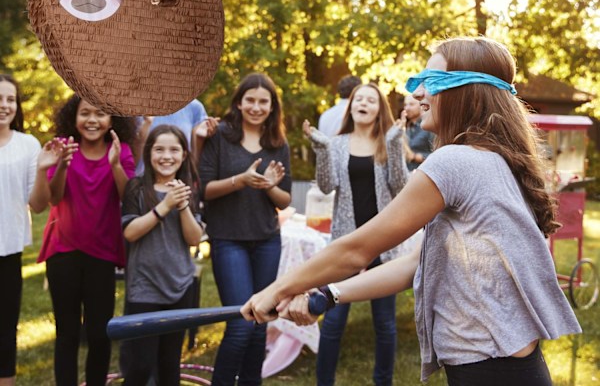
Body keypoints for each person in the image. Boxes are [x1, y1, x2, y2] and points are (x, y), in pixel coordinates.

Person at [242, 37, 582, 386]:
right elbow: (414, 264)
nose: (419, 93)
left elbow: (357, 250)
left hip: (490, 371)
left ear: (467, 91)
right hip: (510, 369)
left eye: (431, 82)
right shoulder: (495, 159)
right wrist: (326, 296)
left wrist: (276, 289)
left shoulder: (455, 162)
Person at [303, 82, 409, 386]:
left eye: (370, 100)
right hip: (346, 245)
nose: (363, 103)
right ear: (351, 106)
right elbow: (326, 186)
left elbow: (400, 188)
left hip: (383, 245)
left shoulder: (388, 140)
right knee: (334, 321)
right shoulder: (337, 143)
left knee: (385, 324)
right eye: (358, 99)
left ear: (379, 109)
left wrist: (394, 144)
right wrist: (322, 149)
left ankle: (383, 382)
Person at [32, 95, 137, 386]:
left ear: (112, 120)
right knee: (66, 333)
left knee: (98, 334)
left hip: (102, 253)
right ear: (73, 118)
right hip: (63, 251)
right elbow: (53, 198)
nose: (93, 120)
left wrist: (115, 164)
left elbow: (126, 197)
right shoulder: (63, 148)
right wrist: (61, 165)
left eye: (101, 113)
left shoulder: (121, 151)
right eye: (85, 113)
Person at [199, 73, 292, 385]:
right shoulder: (220, 136)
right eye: (250, 100)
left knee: (260, 323)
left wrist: (267, 186)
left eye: (263, 101)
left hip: (267, 239)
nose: (256, 106)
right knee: (240, 325)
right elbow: (205, 190)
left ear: (272, 106)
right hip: (228, 240)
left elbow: (284, 198)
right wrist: (242, 179)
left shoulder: (278, 143)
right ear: (239, 103)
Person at [120, 125, 205, 385]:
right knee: (141, 365)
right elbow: (130, 232)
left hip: (179, 285)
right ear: (149, 154)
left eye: (174, 150)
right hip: (144, 286)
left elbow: (194, 238)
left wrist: (181, 206)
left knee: (169, 364)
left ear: (183, 155)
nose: (166, 156)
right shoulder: (136, 187)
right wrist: (164, 206)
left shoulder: (189, 188)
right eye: (159, 149)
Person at [0, 75, 41, 386]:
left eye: (10, 99)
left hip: (8, 249)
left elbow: (37, 204)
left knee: (5, 326)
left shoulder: (28, 145)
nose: (4, 106)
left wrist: (46, 169)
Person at [135, 99, 217, 170]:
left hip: (179, 180)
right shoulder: (135, 104)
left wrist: (201, 137)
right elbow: (130, 158)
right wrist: (146, 125)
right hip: (144, 181)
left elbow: (194, 160)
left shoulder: (194, 107)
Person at [401, 94, 434, 171]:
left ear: (421, 105)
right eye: (405, 105)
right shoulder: (406, 128)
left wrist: (415, 157)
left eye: (411, 104)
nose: (407, 108)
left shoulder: (429, 127)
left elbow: (440, 156)